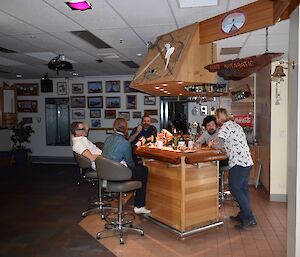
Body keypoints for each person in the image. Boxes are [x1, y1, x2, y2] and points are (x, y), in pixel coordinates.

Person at [209, 108, 256, 230]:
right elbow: (231, 145)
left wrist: (211, 144)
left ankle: (250, 218)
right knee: (243, 189)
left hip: (238, 163)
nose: (216, 119)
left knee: (234, 188)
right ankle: (243, 215)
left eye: (216, 117)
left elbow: (218, 145)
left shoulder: (225, 127)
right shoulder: (235, 125)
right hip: (246, 161)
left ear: (220, 117)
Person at [102, 117, 151, 215]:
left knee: (138, 169)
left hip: (105, 172)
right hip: (118, 174)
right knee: (143, 170)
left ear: (114, 127)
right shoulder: (125, 144)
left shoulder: (108, 139)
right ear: (125, 129)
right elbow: (130, 163)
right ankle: (139, 205)